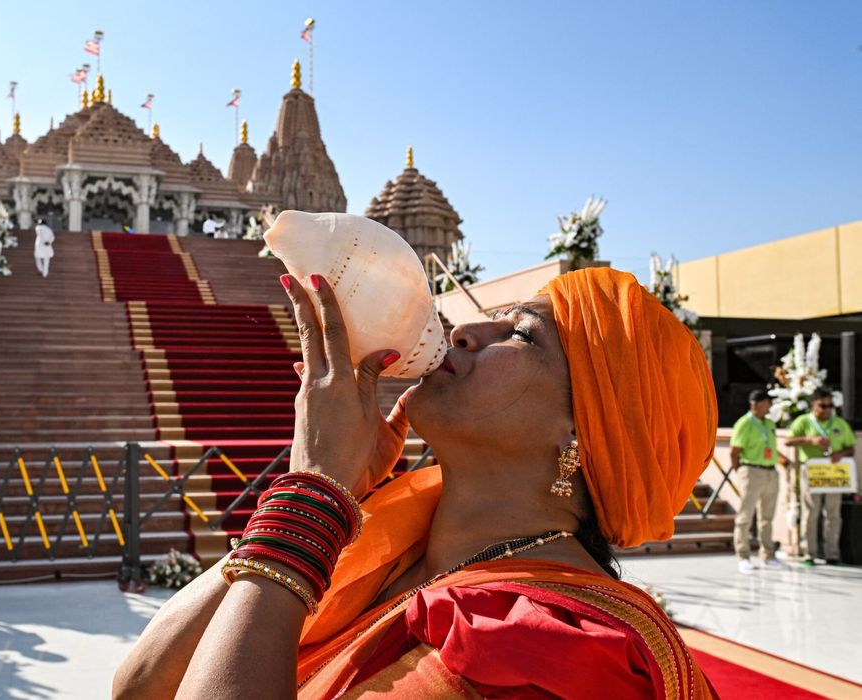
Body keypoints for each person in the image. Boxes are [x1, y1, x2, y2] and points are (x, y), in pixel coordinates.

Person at [114, 267, 718, 698]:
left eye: (521, 335)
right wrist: (332, 497)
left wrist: (313, 488)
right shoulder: (400, 541)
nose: (465, 332)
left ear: (581, 438)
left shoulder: (546, 647)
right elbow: (144, 684)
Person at [786, 388, 858, 565]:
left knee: (833, 514)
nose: (827, 409)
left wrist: (840, 454)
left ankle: (832, 554)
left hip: (833, 472)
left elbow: (851, 448)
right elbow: (789, 441)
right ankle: (808, 554)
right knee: (811, 512)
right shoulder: (804, 421)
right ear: (813, 405)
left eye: (830, 406)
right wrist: (810, 440)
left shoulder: (839, 423)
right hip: (811, 469)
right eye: (823, 405)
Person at [729, 389, 790, 572]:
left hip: (771, 472)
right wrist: (741, 472)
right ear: (755, 405)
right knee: (745, 516)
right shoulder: (744, 423)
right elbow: (734, 452)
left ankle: (768, 555)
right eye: (766, 404)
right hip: (751, 470)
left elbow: (769, 446)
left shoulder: (769, 423)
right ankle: (743, 556)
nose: (769, 407)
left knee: (767, 517)